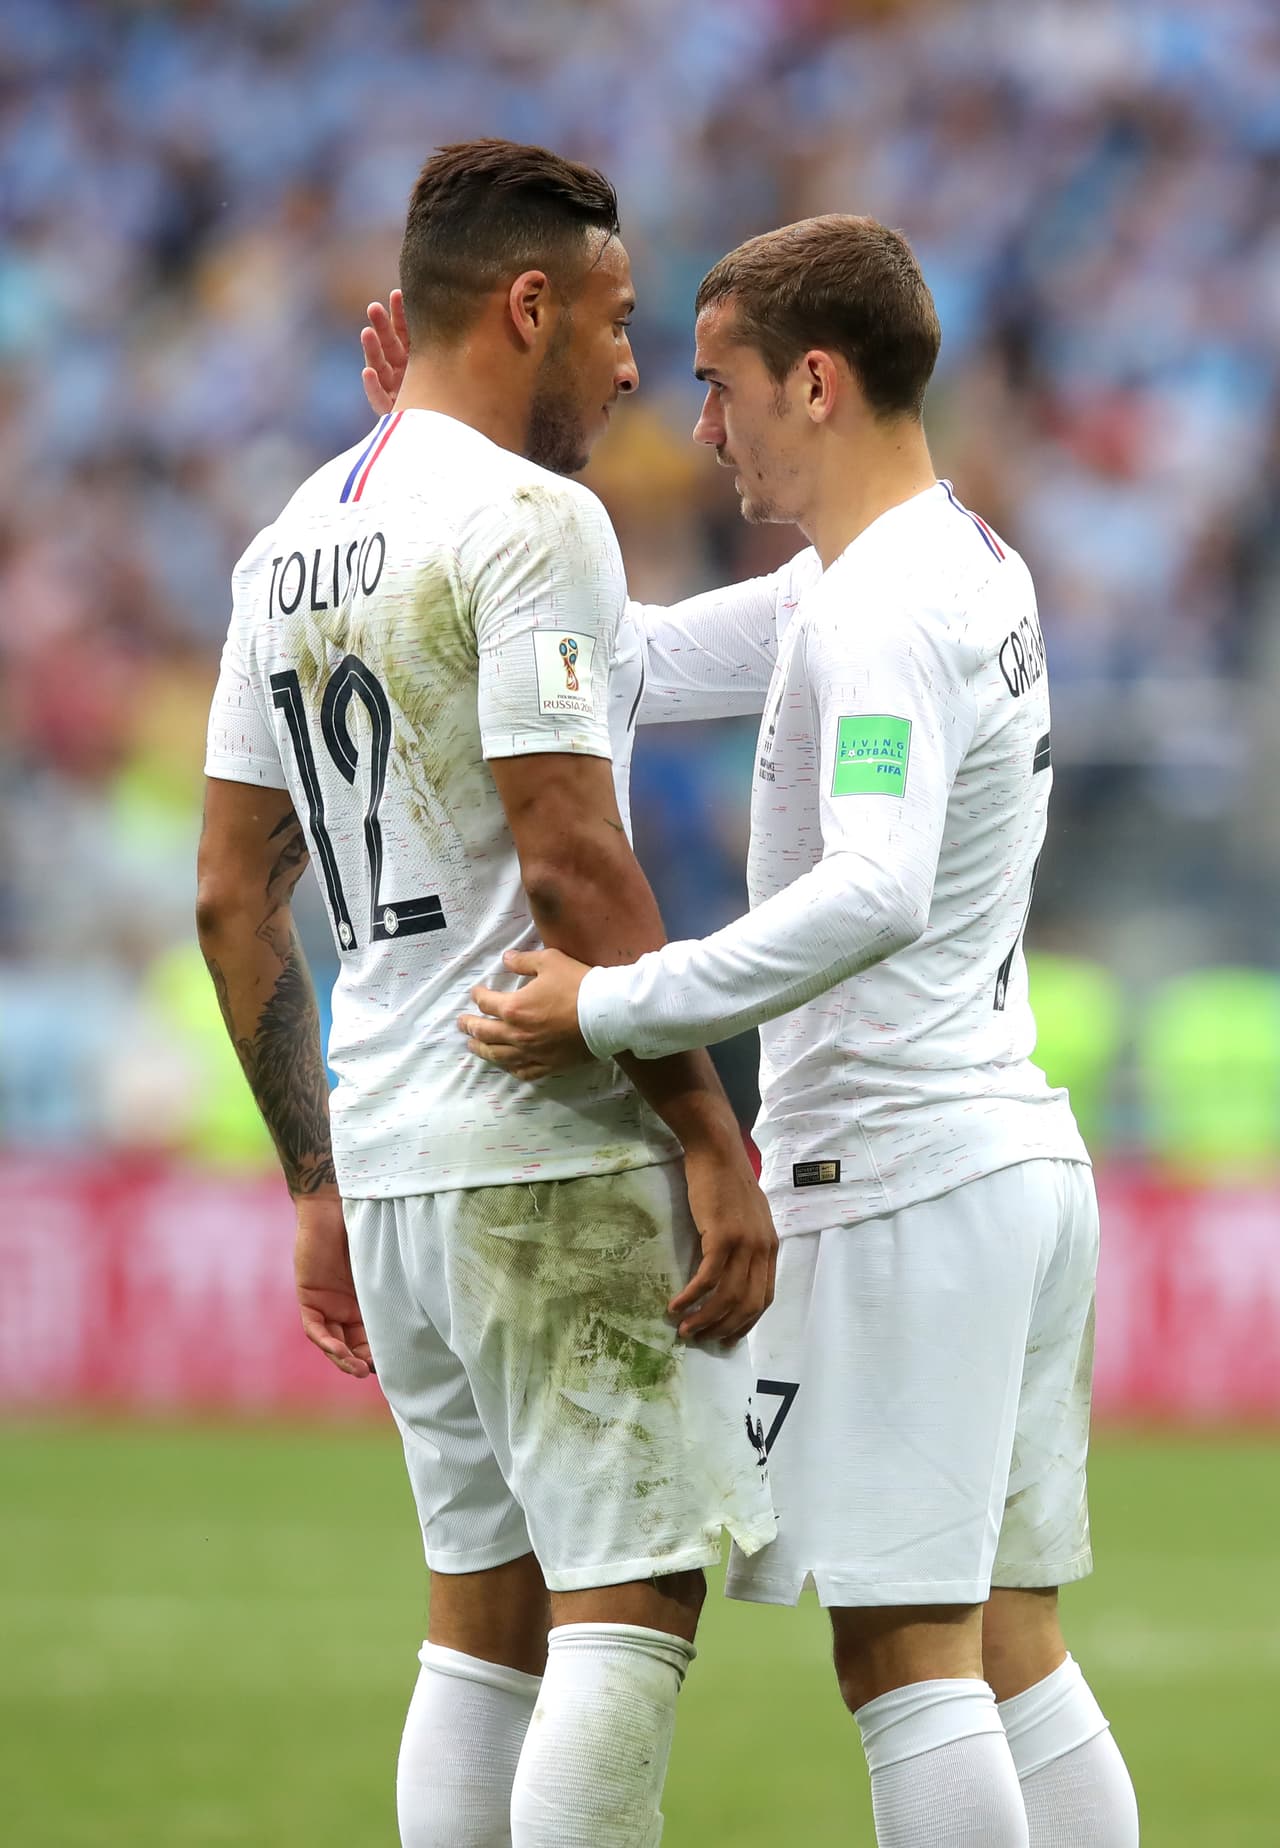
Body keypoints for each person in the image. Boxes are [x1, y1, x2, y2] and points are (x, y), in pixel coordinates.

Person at [407, 216, 1141, 1846]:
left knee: (906, 1656)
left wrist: (614, 1001)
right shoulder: (937, 563)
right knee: (1014, 1647)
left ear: (815, 380)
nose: (704, 425)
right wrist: (455, 476)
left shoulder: (878, 613)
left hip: (905, 1174)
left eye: (723, 386)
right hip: (1011, 1164)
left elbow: (875, 888)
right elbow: (636, 663)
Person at [196, 139, 777, 1848]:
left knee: (483, 1610)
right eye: (609, 321)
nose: (627, 367)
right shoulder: (536, 520)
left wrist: (314, 1180)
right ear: (527, 303)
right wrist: (707, 1132)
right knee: (631, 1596)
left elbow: (237, 895)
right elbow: (574, 858)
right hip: (544, 1141)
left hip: (387, 1157)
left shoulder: (290, 540)